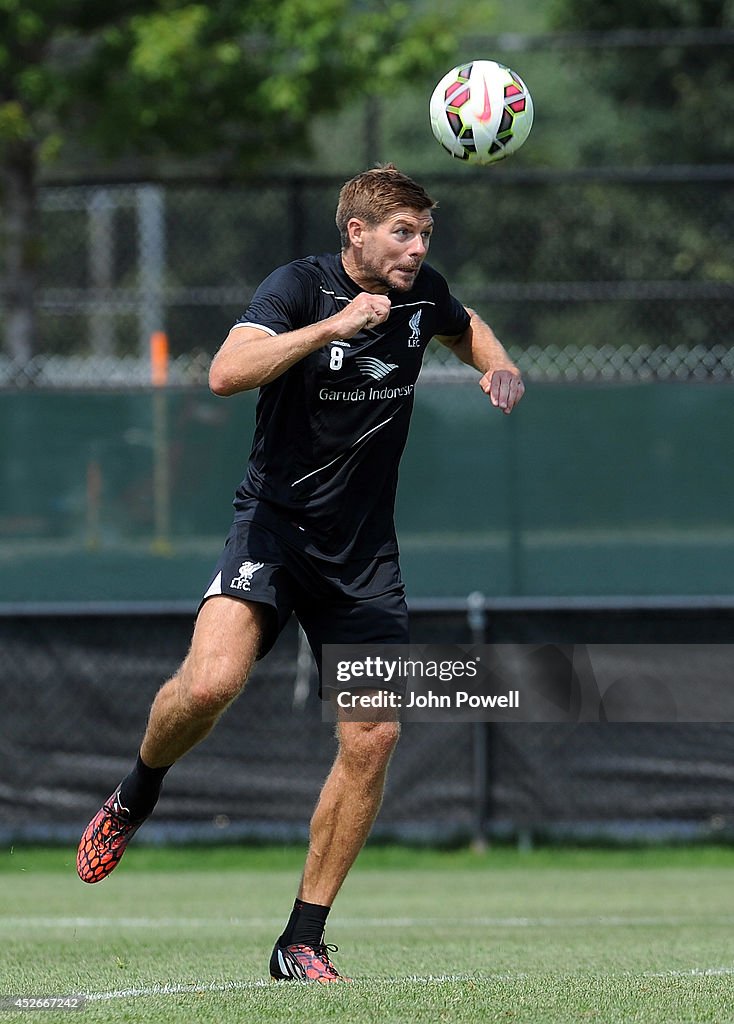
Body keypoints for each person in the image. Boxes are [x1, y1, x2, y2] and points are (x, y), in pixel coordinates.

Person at [76, 164, 524, 983]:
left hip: (364, 559)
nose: (418, 247)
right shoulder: (299, 287)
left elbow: (466, 327)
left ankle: (301, 940)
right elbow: (224, 371)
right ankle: (139, 789)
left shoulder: (427, 295)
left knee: (375, 735)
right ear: (355, 231)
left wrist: (497, 364)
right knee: (210, 685)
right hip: (273, 531)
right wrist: (334, 328)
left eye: (425, 234)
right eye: (403, 232)